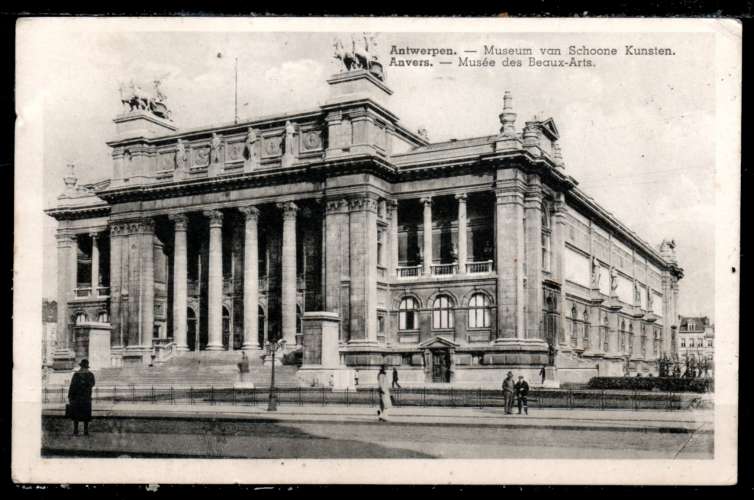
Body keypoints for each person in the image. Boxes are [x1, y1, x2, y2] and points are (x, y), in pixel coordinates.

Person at [67, 359, 95, 436]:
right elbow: (92, 384)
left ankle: (77, 431)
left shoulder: (77, 375)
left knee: (78, 414)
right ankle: (83, 431)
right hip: (85, 398)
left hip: (78, 398)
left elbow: (72, 386)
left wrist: (70, 396)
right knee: (84, 414)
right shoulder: (90, 375)